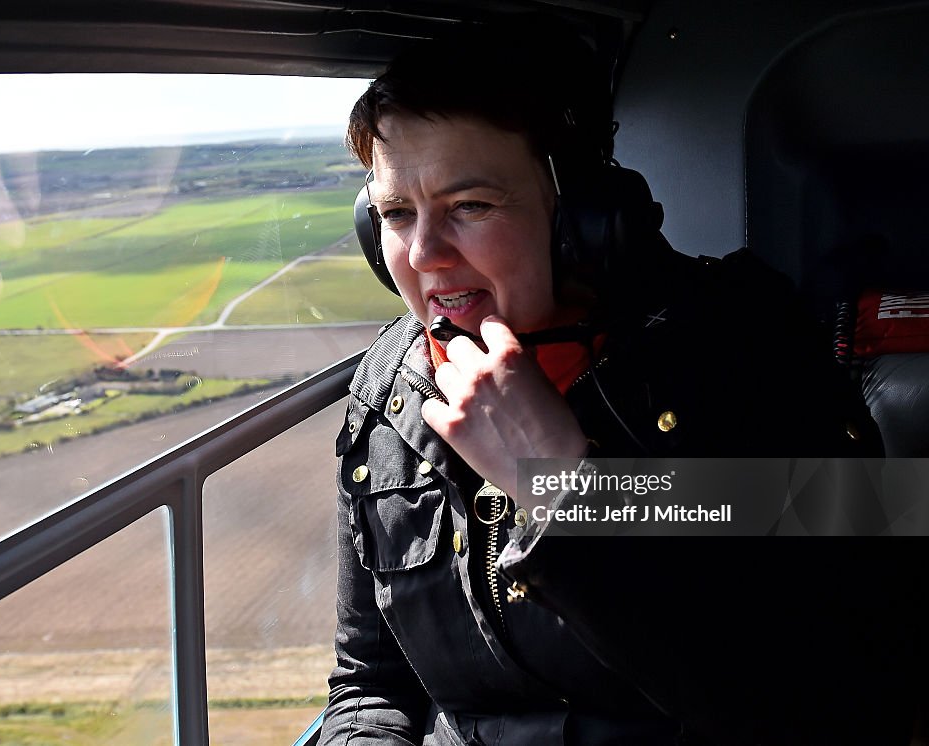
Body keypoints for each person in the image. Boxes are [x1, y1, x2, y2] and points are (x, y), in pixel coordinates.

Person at [317, 21, 889, 746]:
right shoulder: (389, 392)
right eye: (397, 214)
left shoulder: (750, 355)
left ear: (582, 219)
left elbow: (838, 704)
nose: (424, 254)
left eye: (471, 206)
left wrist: (568, 490)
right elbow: (370, 684)